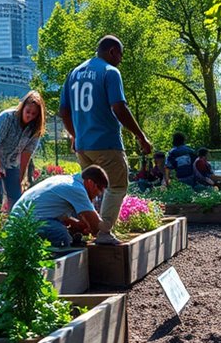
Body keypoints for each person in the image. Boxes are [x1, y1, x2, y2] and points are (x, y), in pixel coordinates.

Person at [59, 35, 153, 245]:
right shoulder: (110, 72)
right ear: (112, 51)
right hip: (106, 142)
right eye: (120, 54)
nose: (120, 59)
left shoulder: (73, 74)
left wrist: (74, 135)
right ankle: (104, 232)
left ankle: (82, 228)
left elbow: (63, 111)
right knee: (117, 185)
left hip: (83, 145)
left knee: (87, 189)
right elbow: (119, 107)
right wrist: (141, 136)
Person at [11, 165, 109, 249]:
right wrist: (104, 234)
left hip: (18, 222)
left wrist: (75, 224)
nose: (98, 194)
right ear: (90, 183)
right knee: (61, 235)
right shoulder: (77, 189)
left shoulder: (64, 180)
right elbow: (96, 227)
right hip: (27, 223)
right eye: (99, 189)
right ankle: (55, 266)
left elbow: (50, 210)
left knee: (62, 230)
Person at [0, 90, 45, 209]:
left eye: (34, 114)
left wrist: (21, 177)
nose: (30, 116)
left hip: (10, 160)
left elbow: (26, 154)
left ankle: (13, 223)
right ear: (22, 107)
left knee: (16, 195)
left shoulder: (35, 129)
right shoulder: (7, 117)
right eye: (28, 112)